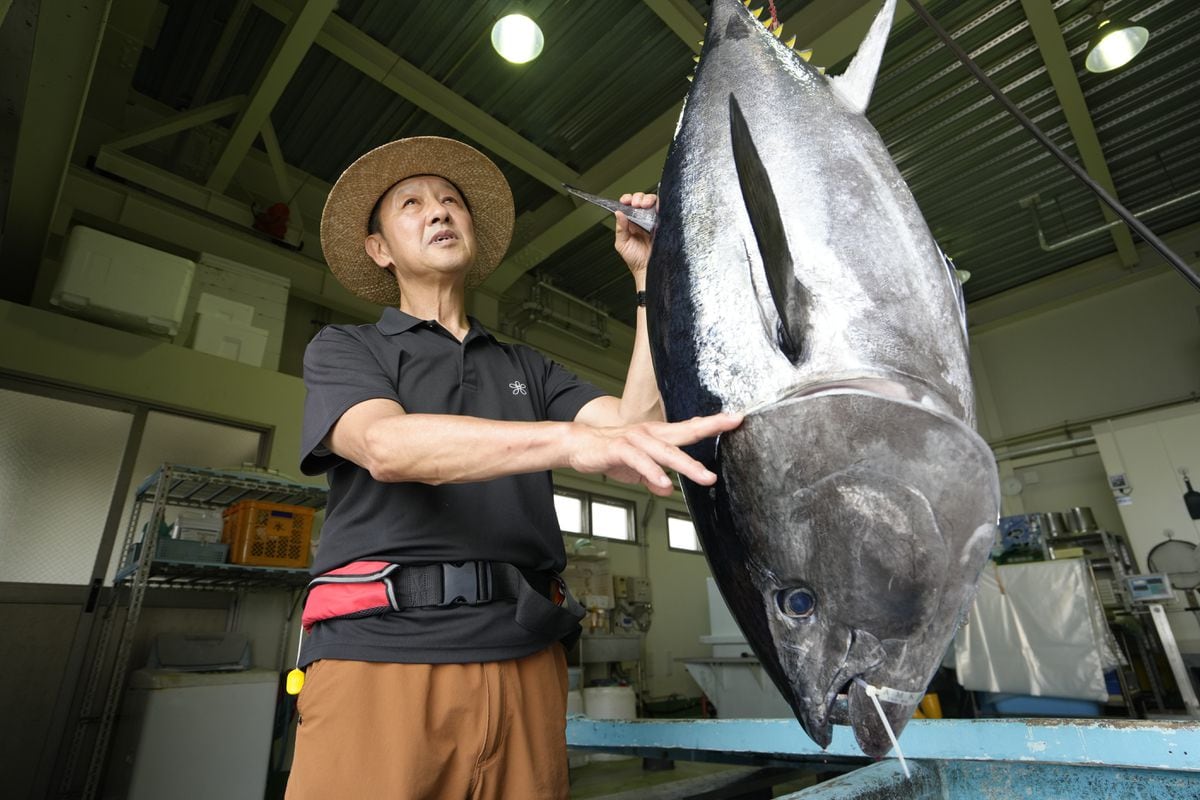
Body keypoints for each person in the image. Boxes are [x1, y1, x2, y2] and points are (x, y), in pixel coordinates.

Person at [286, 136, 740, 800]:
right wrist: (565, 444)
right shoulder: (348, 349)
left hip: (527, 657)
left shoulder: (529, 367)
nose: (439, 211)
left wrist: (650, 279)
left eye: (451, 201)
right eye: (411, 203)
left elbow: (634, 437)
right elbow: (387, 447)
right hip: (384, 651)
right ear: (379, 249)